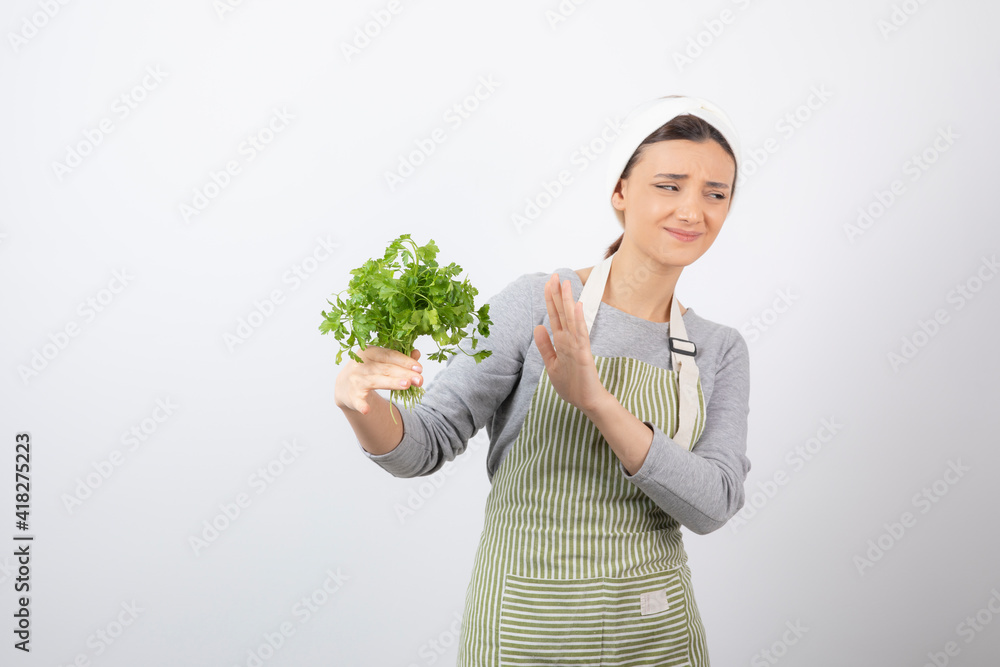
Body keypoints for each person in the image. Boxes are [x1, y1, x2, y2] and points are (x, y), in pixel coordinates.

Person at [335, 95, 751, 666]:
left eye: (715, 194)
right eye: (669, 185)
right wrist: (362, 407)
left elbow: (713, 505)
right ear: (621, 193)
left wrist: (597, 402)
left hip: (654, 635)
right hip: (526, 631)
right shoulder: (538, 302)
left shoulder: (719, 349)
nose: (691, 211)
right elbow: (424, 445)